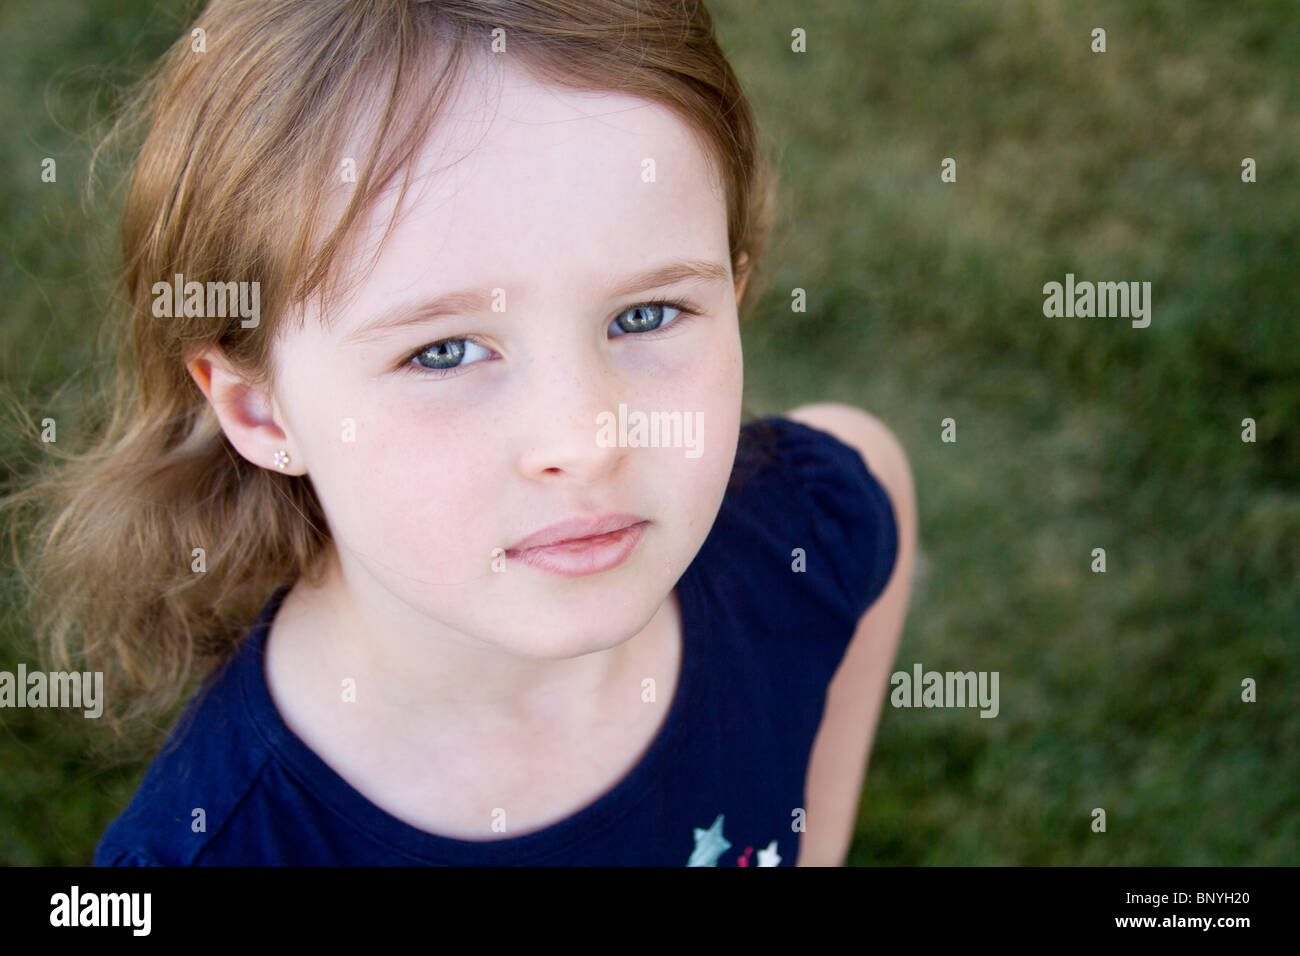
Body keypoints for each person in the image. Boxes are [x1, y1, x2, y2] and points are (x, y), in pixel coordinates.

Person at [12, 0, 916, 866]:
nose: (587, 437)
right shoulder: (216, 848)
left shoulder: (810, 531)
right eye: (444, 351)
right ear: (260, 408)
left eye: (645, 316)